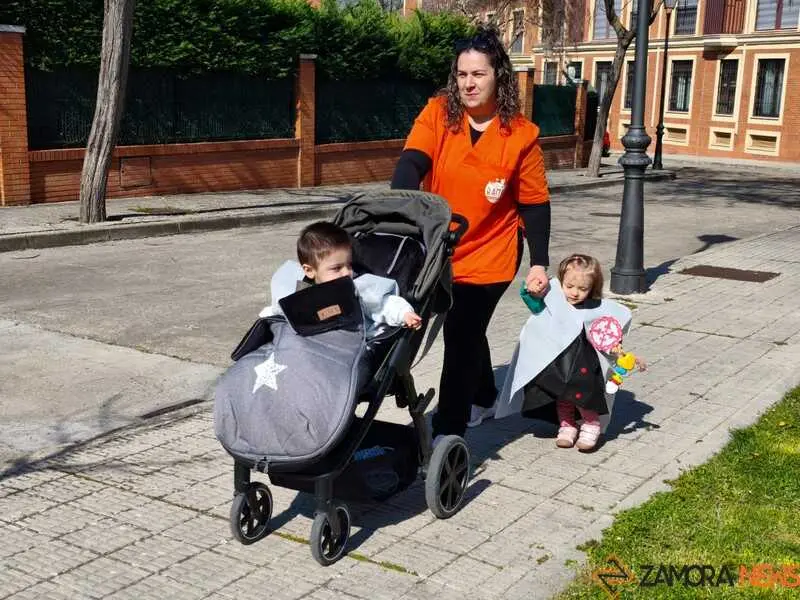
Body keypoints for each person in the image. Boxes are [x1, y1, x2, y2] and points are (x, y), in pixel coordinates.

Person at [390, 24, 551, 440]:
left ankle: (448, 430)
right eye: (462, 74)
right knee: (468, 327)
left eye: (478, 74)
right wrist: (402, 209)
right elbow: (411, 162)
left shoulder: (521, 135)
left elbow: (534, 203)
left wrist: (539, 263)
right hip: (441, 248)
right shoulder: (439, 113)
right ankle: (483, 395)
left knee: (460, 331)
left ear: (498, 76)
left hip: (492, 253)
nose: (468, 83)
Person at [495, 254, 646, 451]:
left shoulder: (595, 308)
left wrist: (623, 355)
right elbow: (535, 305)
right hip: (556, 361)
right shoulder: (552, 301)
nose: (575, 293)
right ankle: (567, 426)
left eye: (583, 289)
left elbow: (606, 335)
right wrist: (531, 290)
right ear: (561, 282)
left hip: (583, 362)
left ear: (592, 287)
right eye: (569, 286)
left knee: (583, 395)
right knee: (561, 395)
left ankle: (591, 424)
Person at [259, 221, 422, 334]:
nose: (347, 273)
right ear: (309, 271)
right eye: (336, 268)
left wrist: (404, 314)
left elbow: (384, 304)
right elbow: (278, 310)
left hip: (346, 348)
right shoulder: (298, 292)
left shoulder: (356, 288)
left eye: (349, 265)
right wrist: (265, 320)